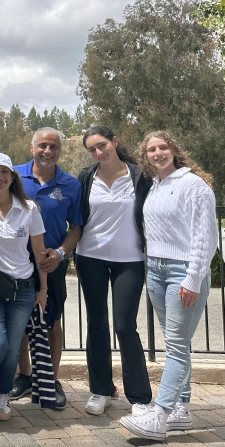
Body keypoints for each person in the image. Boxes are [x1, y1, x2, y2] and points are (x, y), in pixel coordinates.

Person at [120, 130, 217, 441]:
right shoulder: (156, 185)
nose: (158, 153)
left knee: (175, 345)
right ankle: (181, 408)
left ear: (174, 150)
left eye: (163, 147)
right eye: (152, 149)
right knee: (177, 343)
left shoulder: (193, 185)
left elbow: (205, 236)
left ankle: (160, 414)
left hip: (182, 272)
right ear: (145, 155)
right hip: (156, 268)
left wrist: (193, 277)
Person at [75, 126, 152, 417]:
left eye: (102, 145)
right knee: (96, 323)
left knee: (124, 326)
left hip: (130, 259)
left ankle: (140, 398)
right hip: (90, 256)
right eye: (92, 149)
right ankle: (101, 390)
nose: (98, 152)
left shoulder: (140, 176)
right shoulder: (86, 177)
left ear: (115, 142)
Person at [10, 128, 82, 409]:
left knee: (52, 321)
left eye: (53, 146)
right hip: (16, 261)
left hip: (51, 263)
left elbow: (76, 228)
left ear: (60, 150)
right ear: (32, 148)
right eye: (42, 145)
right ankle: (26, 376)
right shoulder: (13, 176)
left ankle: (51, 379)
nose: (47, 151)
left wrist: (61, 253)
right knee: (19, 321)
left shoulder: (71, 184)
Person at [0, 153, 48, 422]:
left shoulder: (29, 209)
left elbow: (39, 252)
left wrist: (43, 289)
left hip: (23, 288)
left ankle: (3, 393)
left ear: (13, 176)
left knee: (14, 347)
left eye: (4, 171)